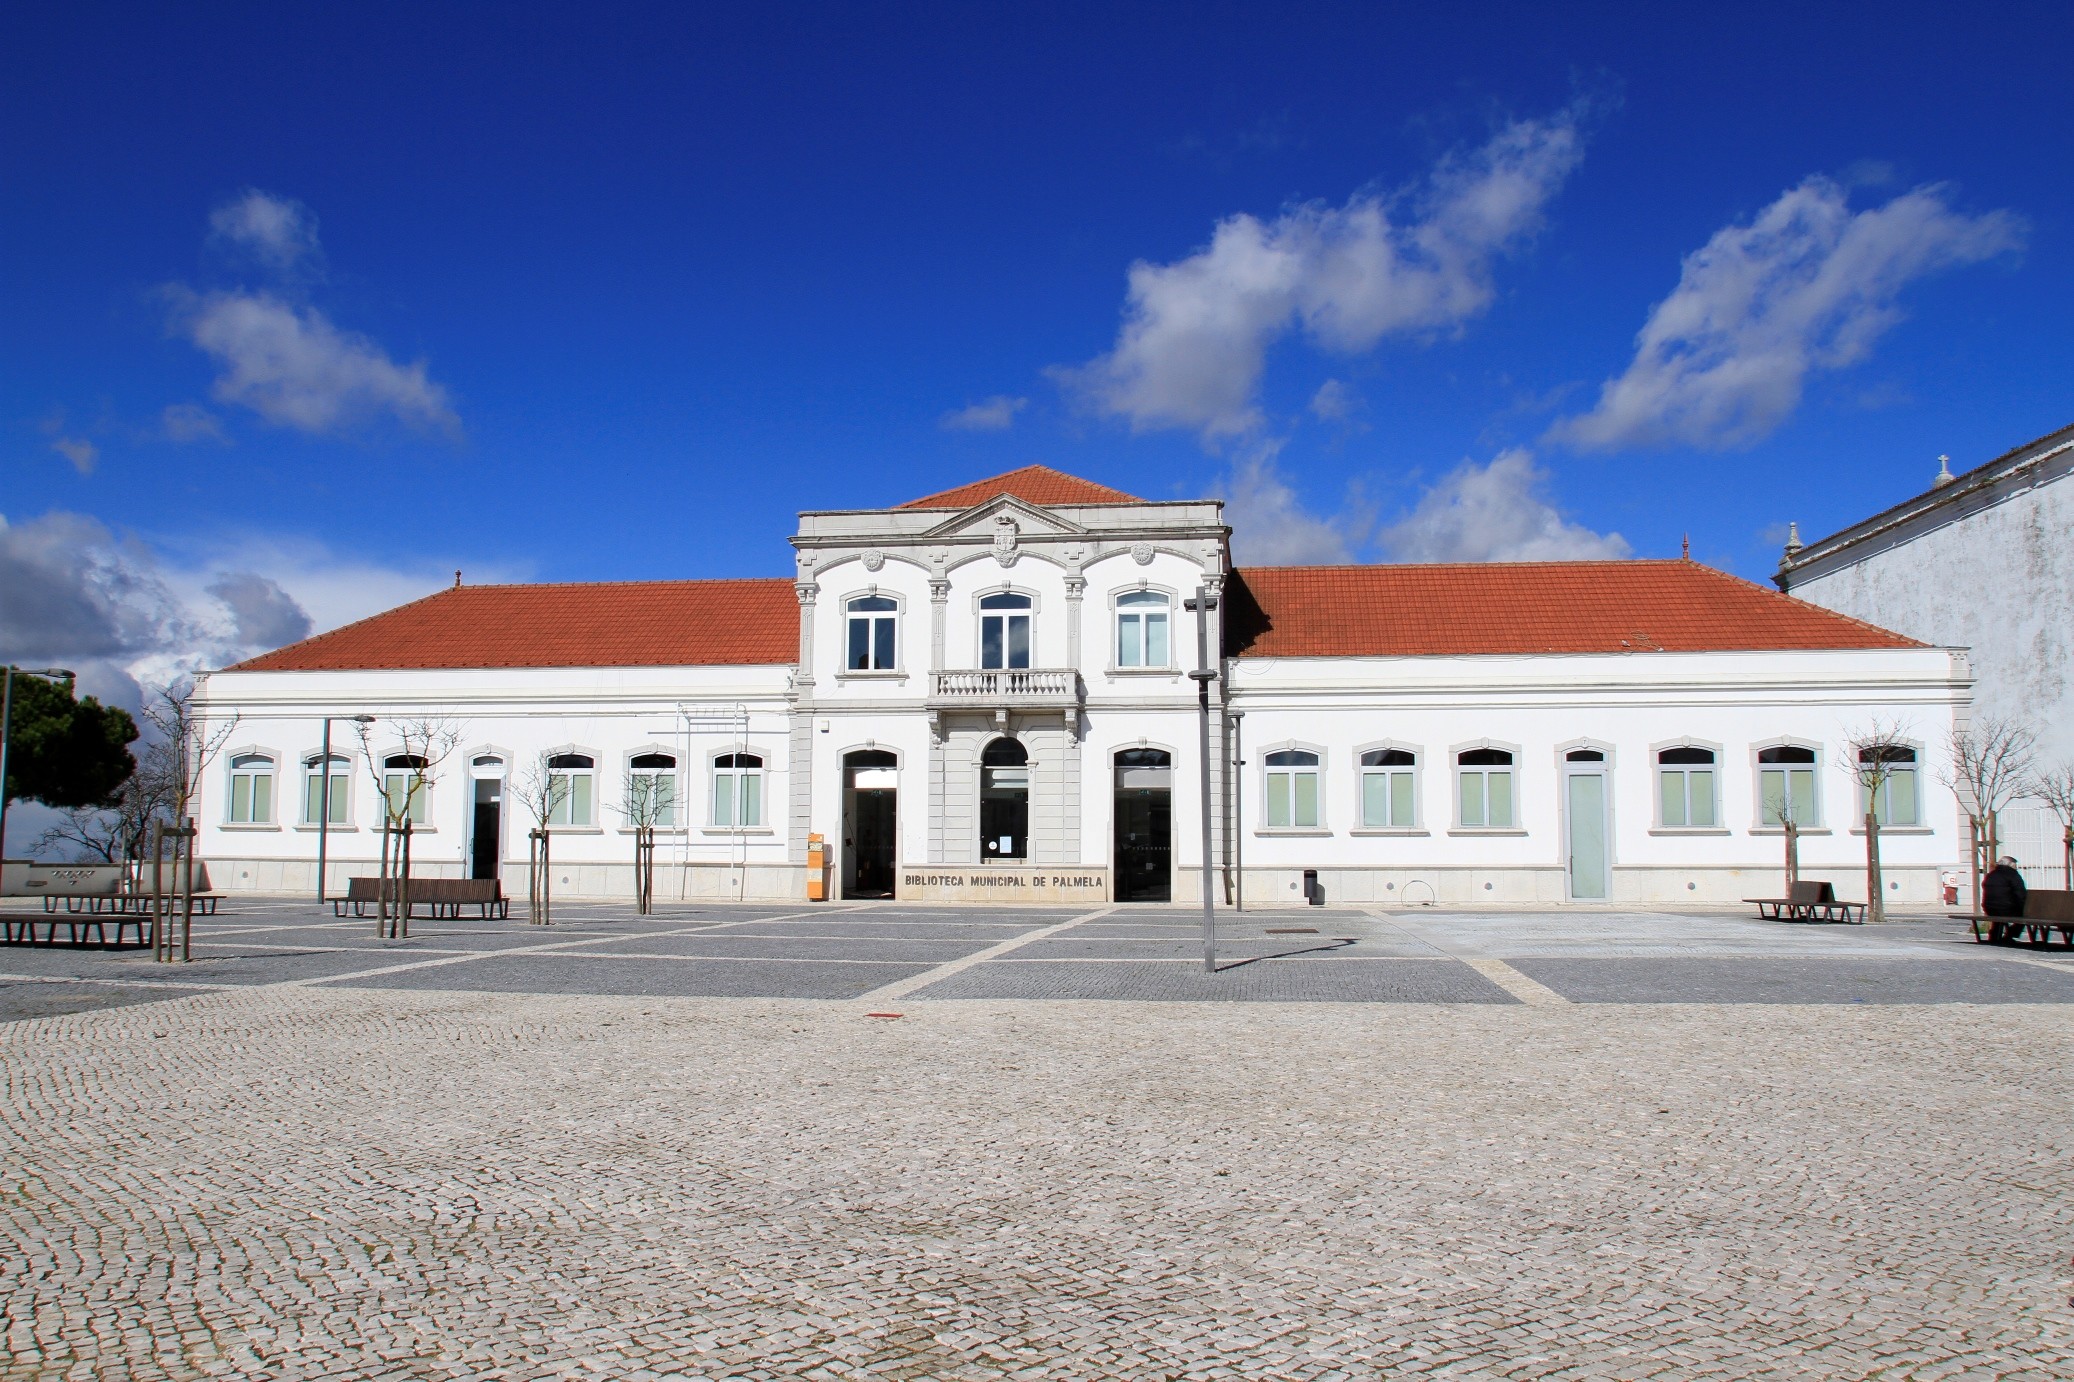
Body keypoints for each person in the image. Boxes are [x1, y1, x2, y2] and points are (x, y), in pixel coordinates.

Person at [1981, 856, 2028, 942]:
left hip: (1989, 909)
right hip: (2007, 909)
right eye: (2015, 865)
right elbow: (2021, 893)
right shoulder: (2013, 875)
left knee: (1998, 917)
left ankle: (1994, 935)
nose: (2016, 867)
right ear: (2010, 864)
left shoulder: (1991, 875)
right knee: (2024, 916)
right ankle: (2010, 934)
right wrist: (2022, 905)